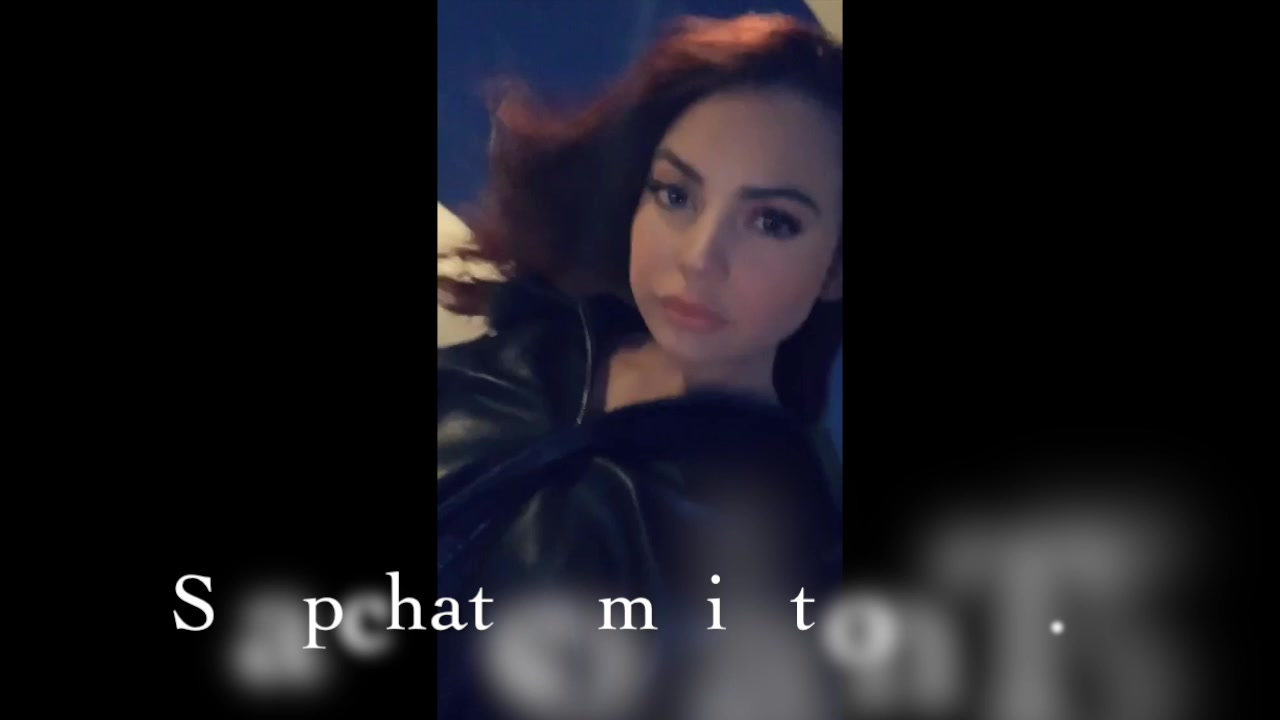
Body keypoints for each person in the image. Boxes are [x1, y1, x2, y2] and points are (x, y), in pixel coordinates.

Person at [437, 14, 844, 718]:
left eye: (773, 221)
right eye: (676, 194)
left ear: (834, 268)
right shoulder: (547, 335)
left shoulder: (795, 561)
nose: (699, 257)